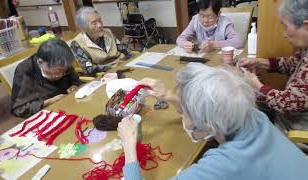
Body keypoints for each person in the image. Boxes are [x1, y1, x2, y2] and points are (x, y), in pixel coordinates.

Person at [118, 63, 308, 180]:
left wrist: (129, 145)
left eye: (186, 111)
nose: (183, 114)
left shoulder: (222, 165)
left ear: (209, 127)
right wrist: (169, 95)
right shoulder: (253, 115)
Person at [238, 0, 308, 135]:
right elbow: (292, 64)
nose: (284, 33)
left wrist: (256, 83)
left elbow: (286, 104)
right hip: (287, 118)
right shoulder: (304, 49)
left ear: (306, 26)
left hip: (295, 133)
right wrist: (259, 62)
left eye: (286, 27)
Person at [11, 38, 81, 118]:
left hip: (70, 104)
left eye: (64, 71)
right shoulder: (25, 70)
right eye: (56, 72)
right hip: (47, 114)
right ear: (40, 62)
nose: (61, 74)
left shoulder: (63, 63)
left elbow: (76, 81)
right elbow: (18, 109)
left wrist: (74, 86)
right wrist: (48, 102)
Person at [71, 7, 132, 76]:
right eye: (94, 23)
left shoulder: (107, 32)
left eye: (100, 20)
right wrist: (112, 67)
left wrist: (133, 59)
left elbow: (124, 50)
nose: (100, 25)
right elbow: (89, 70)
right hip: (106, 75)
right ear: (84, 27)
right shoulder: (77, 43)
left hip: (124, 66)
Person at [176, 0, 244, 53]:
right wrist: (186, 44)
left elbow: (239, 41)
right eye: (202, 16)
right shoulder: (195, 20)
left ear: (218, 14)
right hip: (202, 58)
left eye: (210, 17)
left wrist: (214, 45)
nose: (205, 20)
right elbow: (180, 39)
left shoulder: (224, 23)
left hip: (219, 60)